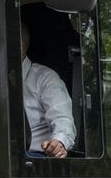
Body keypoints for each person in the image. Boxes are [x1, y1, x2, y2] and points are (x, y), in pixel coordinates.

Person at [20, 19, 76, 158]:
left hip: (33, 157)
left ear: (19, 45)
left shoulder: (45, 78)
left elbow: (62, 118)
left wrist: (59, 142)